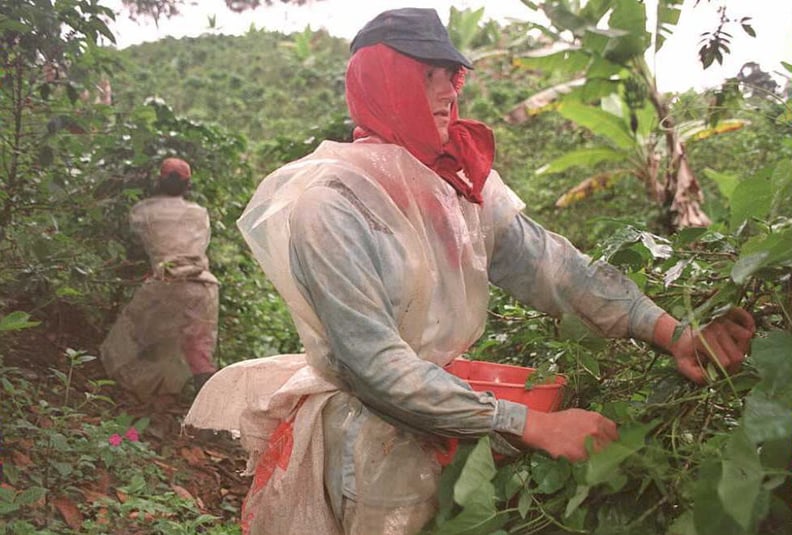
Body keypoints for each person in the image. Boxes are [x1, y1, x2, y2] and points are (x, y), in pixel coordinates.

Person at [185, 8, 755, 535]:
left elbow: (555, 269)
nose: (450, 89)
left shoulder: (451, 184)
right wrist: (532, 425)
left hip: (456, 420)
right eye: (429, 73)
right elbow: (377, 369)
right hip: (373, 447)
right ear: (383, 81)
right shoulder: (331, 204)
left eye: (452, 75)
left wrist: (676, 334)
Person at [101, 157, 220, 403]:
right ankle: (209, 414)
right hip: (203, 286)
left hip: (166, 283)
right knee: (200, 353)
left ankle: (142, 397)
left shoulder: (142, 211)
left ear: (159, 181)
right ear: (188, 185)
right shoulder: (200, 214)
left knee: (131, 338)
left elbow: (140, 240)